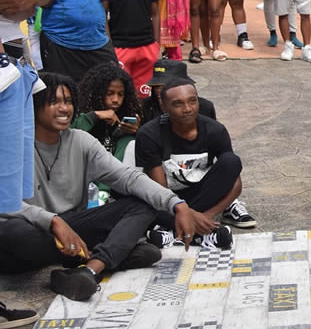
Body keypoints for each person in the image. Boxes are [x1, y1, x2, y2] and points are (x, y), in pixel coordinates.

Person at [0, 73, 210, 301]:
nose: (64, 108)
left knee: (142, 203)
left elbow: (128, 178)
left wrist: (176, 203)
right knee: (15, 232)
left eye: (68, 101)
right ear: (34, 105)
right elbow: (5, 203)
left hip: (73, 226)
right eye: (54, 102)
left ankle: (89, 268)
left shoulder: (81, 141)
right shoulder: (12, 144)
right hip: (30, 235)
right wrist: (52, 221)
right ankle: (111, 253)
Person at [135, 76, 254, 239]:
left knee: (231, 161)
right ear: (163, 107)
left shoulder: (215, 130)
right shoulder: (149, 134)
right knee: (141, 208)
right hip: (168, 200)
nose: (187, 109)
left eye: (192, 101)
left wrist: (206, 216)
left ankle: (179, 228)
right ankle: (186, 228)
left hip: (203, 195)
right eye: (178, 104)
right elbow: (159, 191)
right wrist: (186, 213)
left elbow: (236, 183)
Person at [70, 61, 141, 162]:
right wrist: (94, 116)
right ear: (96, 93)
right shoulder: (78, 113)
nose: (116, 99)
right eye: (109, 93)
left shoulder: (124, 118)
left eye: (120, 94)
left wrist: (135, 132)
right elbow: (66, 134)